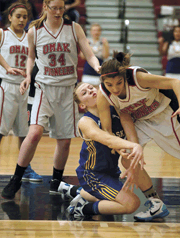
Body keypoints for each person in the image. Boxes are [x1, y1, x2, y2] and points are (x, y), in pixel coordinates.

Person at [1, 0, 100, 200]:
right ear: (45, 7)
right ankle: (16, 178)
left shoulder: (74, 28)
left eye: (61, 9)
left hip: (67, 91)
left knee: (64, 141)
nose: (58, 12)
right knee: (35, 133)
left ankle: (56, 181)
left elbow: (89, 54)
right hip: (44, 88)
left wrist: (97, 66)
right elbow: (30, 57)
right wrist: (28, 76)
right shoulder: (34, 31)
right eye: (54, 8)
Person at [96, 51, 180, 221]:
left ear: (124, 76)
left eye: (119, 83)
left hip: (167, 114)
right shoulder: (103, 95)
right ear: (103, 83)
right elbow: (115, 124)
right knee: (129, 159)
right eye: (110, 85)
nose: (115, 88)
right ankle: (155, 203)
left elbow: (175, 82)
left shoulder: (137, 78)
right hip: (141, 120)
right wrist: (133, 147)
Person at [64, 82, 169, 221]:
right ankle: (81, 209)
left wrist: (133, 158)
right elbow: (107, 139)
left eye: (91, 87)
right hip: (92, 175)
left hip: (112, 172)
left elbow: (132, 136)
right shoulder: (85, 121)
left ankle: (75, 191)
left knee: (128, 166)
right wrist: (133, 146)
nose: (90, 91)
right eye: (84, 93)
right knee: (132, 204)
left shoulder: (117, 110)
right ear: (82, 105)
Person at [0, 0, 42, 185]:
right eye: (18, 16)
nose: (22, 20)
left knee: (25, 133)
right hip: (5, 86)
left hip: (25, 88)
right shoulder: (1, 33)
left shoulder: (31, 35)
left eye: (25, 17)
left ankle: (25, 168)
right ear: (10, 16)